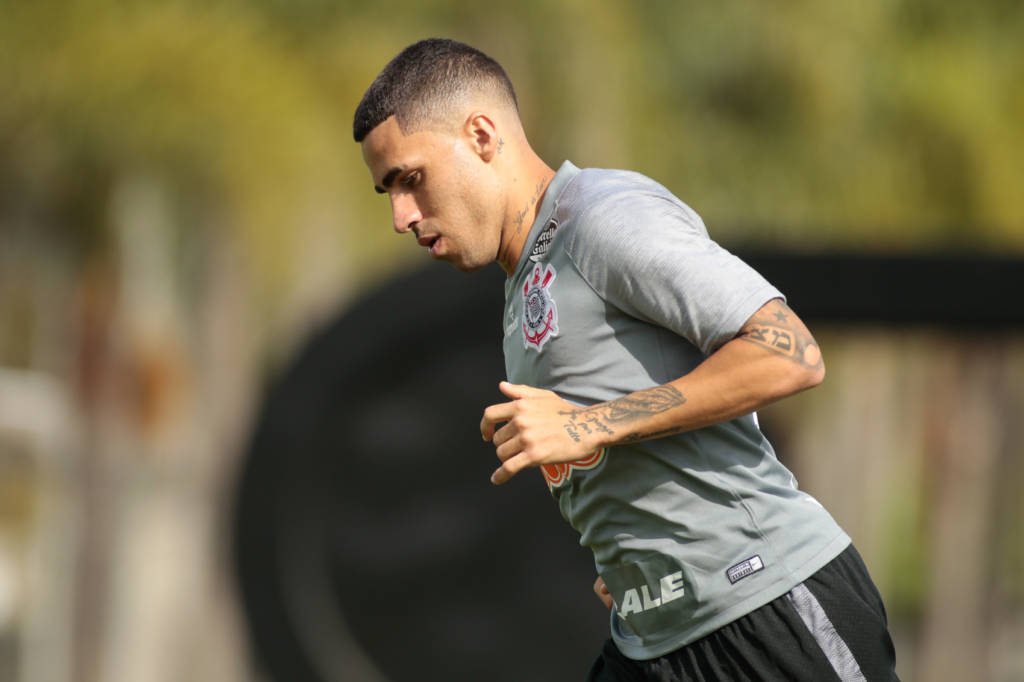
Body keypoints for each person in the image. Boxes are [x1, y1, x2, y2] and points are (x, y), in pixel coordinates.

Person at [354, 38, 898, 681]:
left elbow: (789, 352)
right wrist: (634, 563)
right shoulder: (524, 279)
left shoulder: (604, 218)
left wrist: (587, 423)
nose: (401, 216)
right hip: (654, 638)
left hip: (766, 608)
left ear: (481, 135)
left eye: (411, 179)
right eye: (386, 192)